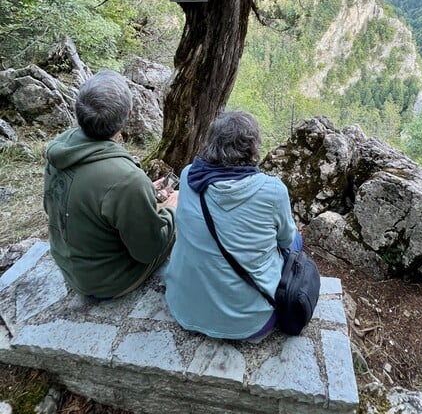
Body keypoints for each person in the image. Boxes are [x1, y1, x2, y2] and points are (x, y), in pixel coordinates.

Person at [164, 110, 302, 340]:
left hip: (184, 307)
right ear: (253, 148)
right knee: (296, 240)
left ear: (211, 142)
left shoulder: (190, 176)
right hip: (248, 321)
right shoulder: (272, 190)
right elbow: (286, 242)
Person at [43, 69, 177, 299]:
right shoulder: (126, 180)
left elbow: (56, 206)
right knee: (183, 209)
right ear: (129, 113)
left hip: (69, 265)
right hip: (108, 280)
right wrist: (173, 211)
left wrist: (143, 192)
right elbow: (148, 251)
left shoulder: (61, 148)